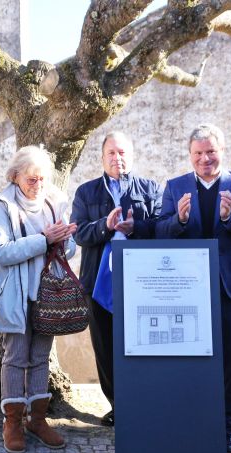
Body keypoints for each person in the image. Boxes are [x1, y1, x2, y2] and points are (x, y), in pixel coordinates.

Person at [155, 124, 231, 453]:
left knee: (230, 359)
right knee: (187, 355)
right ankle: (192, 419)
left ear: (222, 151)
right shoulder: (175, 187)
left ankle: (230, 429)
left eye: (210, 152)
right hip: (187, 287)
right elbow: (160, 231)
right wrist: (181, 221)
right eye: (199, 153)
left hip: (229, 283)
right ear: (190, 156)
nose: (205, 159)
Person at [0, 146, 77, 453]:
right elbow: (0, 252)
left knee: (40, 358)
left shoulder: (55, 201)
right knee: (15, 358)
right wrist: (44, 240)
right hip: (16, 296)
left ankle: (37, 420)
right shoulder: (2, 206)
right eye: (31, 180)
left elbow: (72, 249)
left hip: (49, 295)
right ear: (15, 177)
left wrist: (64, 239)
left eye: (42, 179)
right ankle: (11, 423)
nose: (38, 185)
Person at [70, 132, 163, 427]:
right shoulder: (86, 193)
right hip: (98, 281)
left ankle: (142, 401)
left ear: (131, 155)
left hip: (141, 281)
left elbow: (164, 227)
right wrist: (104, 226)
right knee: (106, 345)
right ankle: (117, 405)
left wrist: (137, 227)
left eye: (122, 152)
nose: (117, 158)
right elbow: (79, 232)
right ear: (102, 157)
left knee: (140, 343)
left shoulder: (150, 189)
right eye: (111, 153)